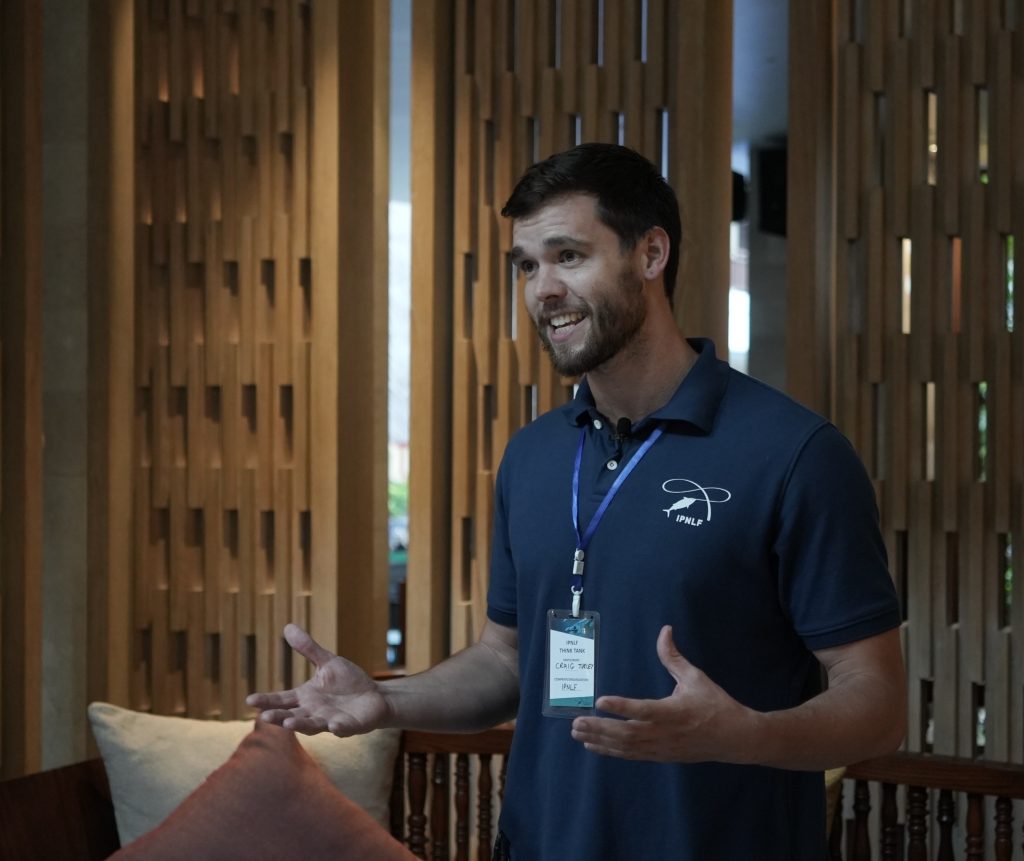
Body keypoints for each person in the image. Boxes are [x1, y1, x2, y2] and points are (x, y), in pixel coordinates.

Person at [247, 143, 906, 859]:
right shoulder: (533, 456)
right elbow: (505, 660)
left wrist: (744, 733)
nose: (542, 289)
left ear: (650, 254)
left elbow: (877, 704)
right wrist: (385, 700)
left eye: (568, 256)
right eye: (527, 265)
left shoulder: (795, 454)